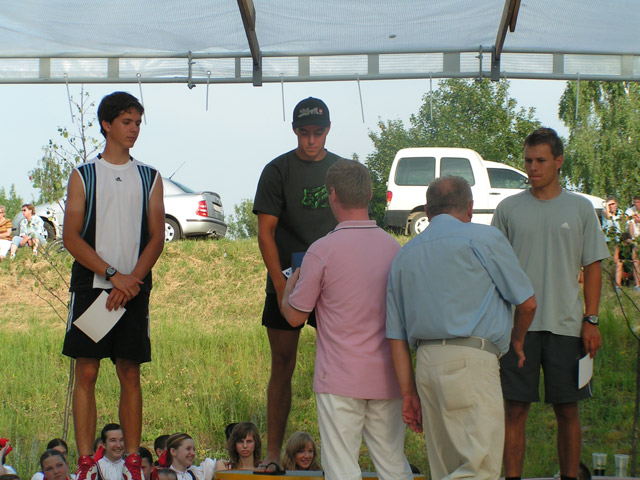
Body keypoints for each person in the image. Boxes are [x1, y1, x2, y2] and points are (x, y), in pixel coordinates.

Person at [386, 176, 537, 479]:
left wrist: (408, 394)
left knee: (445, 469)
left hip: (426, 365)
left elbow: (396, 337)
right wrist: (517, 340)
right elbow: (527, 303)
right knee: (479, 468)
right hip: (472, 361)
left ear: (427, 211)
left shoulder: (404, 255)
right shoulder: (484, 239)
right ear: (469, 208)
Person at [281, 159, 413, 480]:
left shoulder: (322, 251)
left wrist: (288, 289)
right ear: (370, 194)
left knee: (342, 468)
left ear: (332, 195)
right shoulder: (394, 249)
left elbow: (296, 317)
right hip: (388, 376)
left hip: (338, 378)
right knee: (393, 463)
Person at [491, 128, 609, 480]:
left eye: (540, 160)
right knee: (514, 411)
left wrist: (592, 319)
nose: (532, 168)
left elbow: (593, 266)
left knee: (568, 411)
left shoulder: (580, 208)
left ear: (559, 162)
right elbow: (494, 266)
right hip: (518, 329)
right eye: (528, 160)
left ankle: (569, 476)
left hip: (567, 325)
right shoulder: (508, 208)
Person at [61, 91, 165, 480]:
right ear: (107, 124)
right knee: (86, 372)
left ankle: (133, 462)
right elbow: (72, 237)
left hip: (134, 289)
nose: (134, 129)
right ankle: (87, 461)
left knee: (130, 372)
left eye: (138, 122)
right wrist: (111, 275)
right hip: (92, 287)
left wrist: (130, 279)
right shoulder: (83, 174)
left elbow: (157, 237)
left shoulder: (150, 176)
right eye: (127, 122)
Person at [252, 97, 343, 471]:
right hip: (287, 277)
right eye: (304, 133)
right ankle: (273, 454)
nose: (311, 140)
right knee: (282, 364)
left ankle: (339, 458)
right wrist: (279, 284)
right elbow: (265, 232)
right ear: (294, 131)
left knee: (337, 365)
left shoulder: (342, 170)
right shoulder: (277, 170)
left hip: (334, 283)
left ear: (328, 129)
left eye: (317, 133)